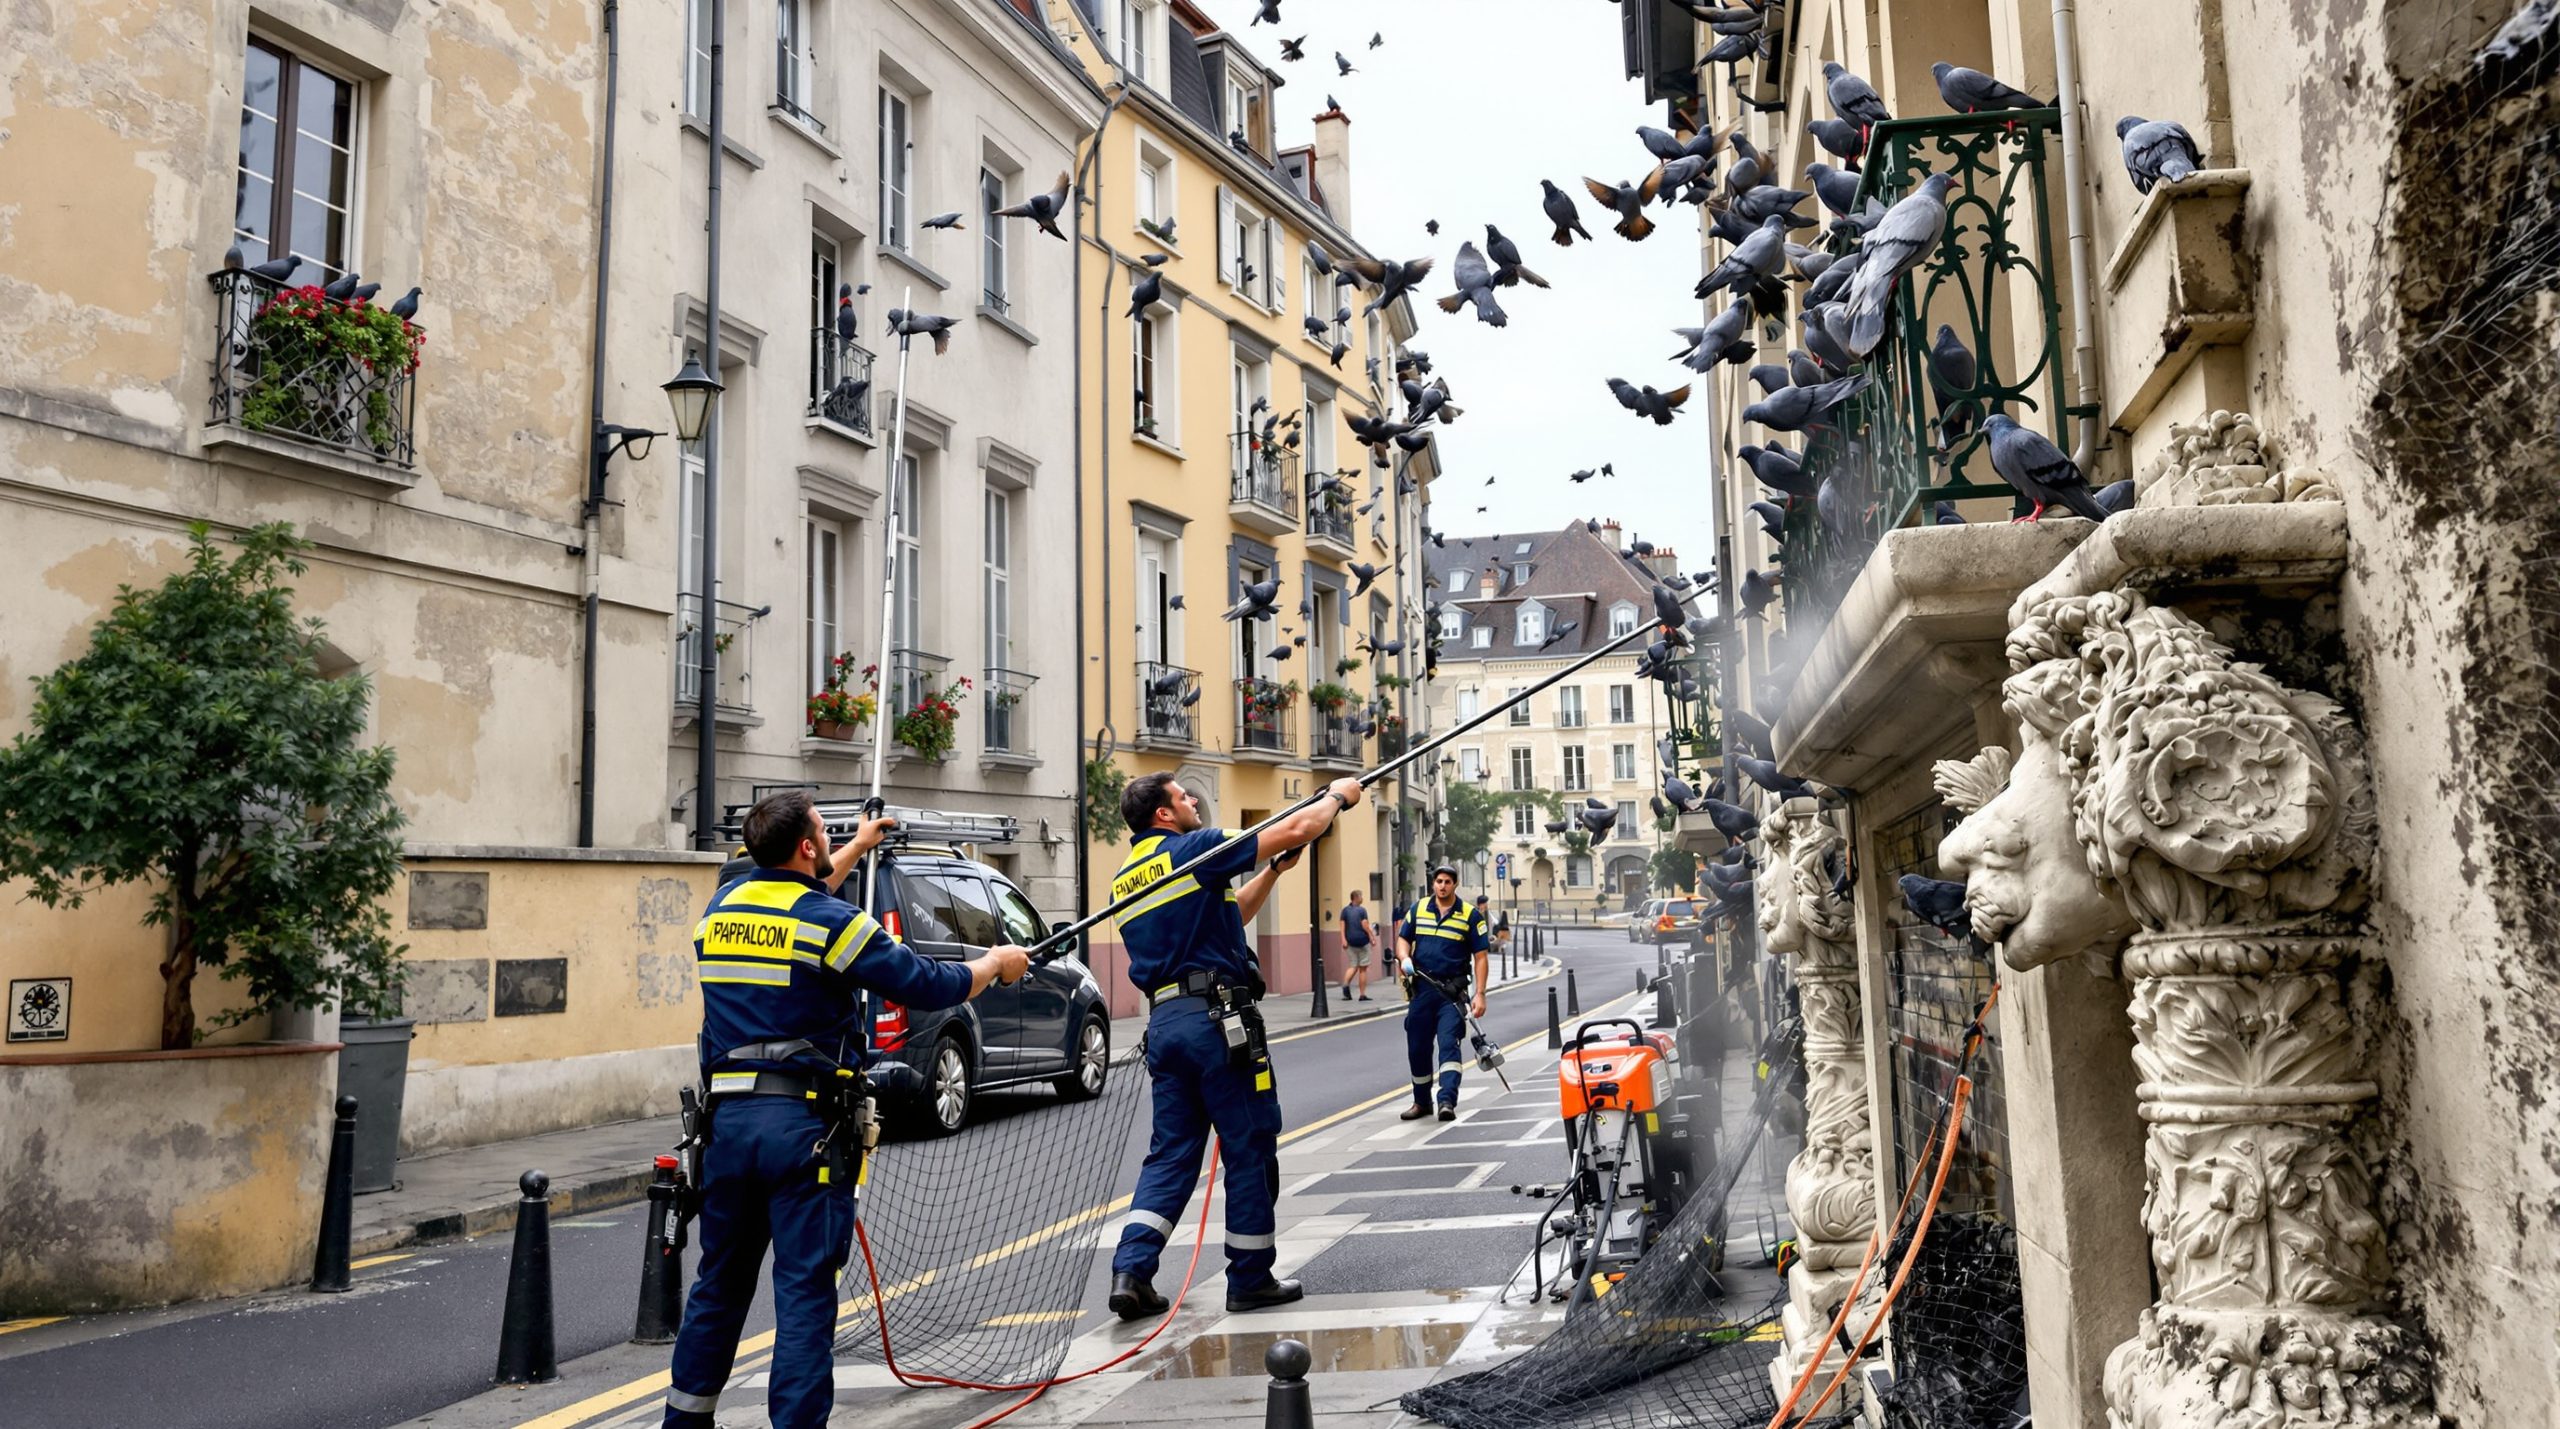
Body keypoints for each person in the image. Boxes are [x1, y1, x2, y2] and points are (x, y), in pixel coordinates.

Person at [663, 791, 1030, 1429]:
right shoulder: (832, 922)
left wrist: (859, 847)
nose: (829, 841)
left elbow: (790, 905)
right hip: (803, 1129)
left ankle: (685, 1422)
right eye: (823, 834)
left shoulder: (720, 910)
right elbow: (926, 983)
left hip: (727, 1127)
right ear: (807, 846)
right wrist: (995, 963)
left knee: (718, 1288)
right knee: (804, 1295)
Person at [1106, 771, 1366, 1321]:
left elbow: (1225, 917)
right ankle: (1249, 1278)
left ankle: (1132, 1272)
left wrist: (1271, 873)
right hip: (1218, 1022)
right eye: (1182, 796)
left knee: (1171, 1154)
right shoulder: (1193, 849)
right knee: (1248, 1144)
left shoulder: (1125, 880)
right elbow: (1299, 825)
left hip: (1168, 1026)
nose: (1193, 800)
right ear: (1163, 815)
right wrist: (1338, 797)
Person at [1396, 864, 1491, 1121]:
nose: (1442, 885)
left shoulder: (1470, 915)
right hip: (1421, 990)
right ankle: (1421, 1102)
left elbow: (1480, 957)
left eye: (1447, 881)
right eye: (1438, 881)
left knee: (1448, 1046)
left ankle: (1446, 1100)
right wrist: (1404, 956)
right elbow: (1403, 938)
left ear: (1455, 884)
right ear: (1433, 884)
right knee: (1417, 1048)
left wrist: (1480, 993)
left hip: (1451, 993)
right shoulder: (1418, 909)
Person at [1338, 889, 1375, 1001]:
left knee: (1353, 965)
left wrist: (1343, 939)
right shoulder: (1362, 910)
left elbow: (1342, 926)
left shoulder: (1345, 911)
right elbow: (1365, 925)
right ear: (1357, 897)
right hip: (1362, 942)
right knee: (1362, 969)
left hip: (1350, 942)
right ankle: (1362, 994)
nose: (1362, 898)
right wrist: (1372, 936)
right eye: (1361, 896)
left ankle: (1345, 984)